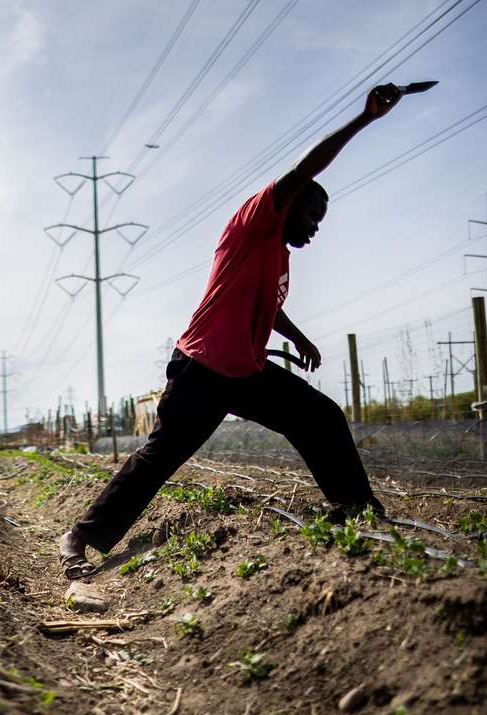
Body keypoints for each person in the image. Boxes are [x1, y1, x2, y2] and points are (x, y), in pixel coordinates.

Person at [59, 83, 405, 580]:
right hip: (201, 367)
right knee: (161, 457)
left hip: (244, 369)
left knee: (320, 417)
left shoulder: (276, 254)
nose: (314, 228)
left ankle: (355, 509)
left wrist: (295, 336)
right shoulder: (253, 223)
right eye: (311, 216)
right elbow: (304, 171)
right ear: (287, 206)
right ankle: (81, 535)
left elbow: (264, 303)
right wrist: (363, 120)